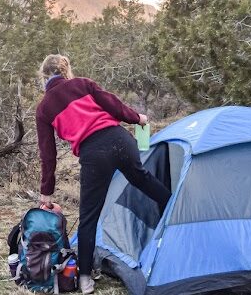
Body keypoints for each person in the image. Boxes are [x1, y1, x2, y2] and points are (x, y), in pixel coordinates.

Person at [35, 54, 171, 295]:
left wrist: (47, 191)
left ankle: (85, 278)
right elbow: (114, 105)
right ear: (65, 70)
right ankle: (175, 210)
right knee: (143, 179)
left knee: (89, 216)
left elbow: (48, 154)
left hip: (94, 153)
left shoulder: (44, 108)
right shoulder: (83, 84)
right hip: (121, 140)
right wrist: (137, 118)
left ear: (44, 76)